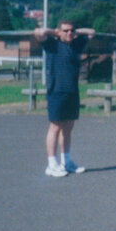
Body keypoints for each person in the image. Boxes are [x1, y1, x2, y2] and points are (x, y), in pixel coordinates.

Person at [34, 21, 95, 177]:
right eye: (65, 31)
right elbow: (38, 32)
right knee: (55, 127)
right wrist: (54, 32)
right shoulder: (52, 45)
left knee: (68, 128)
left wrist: (76, 32)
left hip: (72, 92)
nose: (69, 33)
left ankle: (66, 162)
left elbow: (92, 32)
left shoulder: (76, 44)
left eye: (71, 31)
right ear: (59, 32)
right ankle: (51, 164)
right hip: (56, 92)